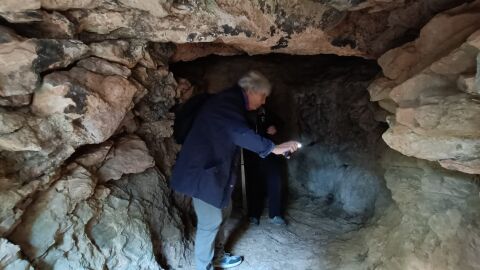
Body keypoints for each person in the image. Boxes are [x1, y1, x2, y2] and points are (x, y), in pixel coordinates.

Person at [170, 70, 300, 270]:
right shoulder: (226, 103)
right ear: (251, 90)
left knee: (224, 210)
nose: (264, 102)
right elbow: (238, 132)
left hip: (212, 172)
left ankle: (218, 255)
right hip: (201, 173)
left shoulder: (232, 104)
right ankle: (203, 266)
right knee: (210, 220)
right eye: (263, 96)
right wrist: (272, 148)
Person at [244, 106, 287, 226]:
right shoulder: (245, 113)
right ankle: (253, 214)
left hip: (271, 153)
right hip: (252, 154)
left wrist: (275, 128)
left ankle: (275, 214)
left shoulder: (269, 113)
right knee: (254, 184)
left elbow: (280, 123)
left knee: (275, 181)